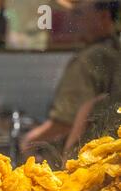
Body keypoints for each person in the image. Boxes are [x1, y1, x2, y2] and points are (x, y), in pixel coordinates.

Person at [20, 0, 120, 159]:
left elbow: (64, 123)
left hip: (81, 162)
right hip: (107, 161)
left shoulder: (90, 59)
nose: (73, 20)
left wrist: (30, 140)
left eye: (79, 14)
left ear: (103, 17)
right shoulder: (115, 50)